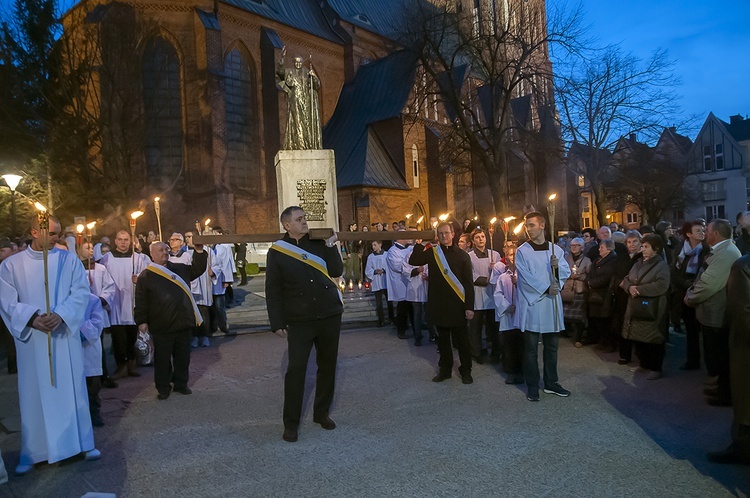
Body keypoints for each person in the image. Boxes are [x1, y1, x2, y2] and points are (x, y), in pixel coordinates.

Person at [0, 216, 100, 475]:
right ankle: (33, 451)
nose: (58, 239)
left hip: (63, 336)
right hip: (33, 340)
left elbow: (80, 292)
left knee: (71, 389)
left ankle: (82, 444)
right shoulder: (11, 266)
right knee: (33, 393)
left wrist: (62, 314)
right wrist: (32, 318)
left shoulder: (69, 260)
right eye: (54, 234)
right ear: (35, 232)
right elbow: (7, 301)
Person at [265, 206, 342, 443]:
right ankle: (291, 423)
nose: (305, 222)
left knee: (327, 366)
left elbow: (336, 270)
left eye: (305, 218)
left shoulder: (318, 243)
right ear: (287, 225)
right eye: (299, 219)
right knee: (296, 371)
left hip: (328, 315)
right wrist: (276, 321)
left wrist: (331, 247)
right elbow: (273, 289)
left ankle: (321, 413)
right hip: (300, 320)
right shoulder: (277, 252)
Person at [134, 241, 207, 400]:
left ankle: (181, 383)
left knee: (183, 356)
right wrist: (142, 321)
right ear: (151, 254)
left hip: (182, 321)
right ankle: (163, 387)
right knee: (163, 359)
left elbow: (198, 269)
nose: (165, 252)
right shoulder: (146, 276)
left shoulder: (179, 268)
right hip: (162, 323)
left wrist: (199, 251)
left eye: (166, 249)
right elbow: (141, 300)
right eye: (160, 250)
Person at [685, 219, 742, 406]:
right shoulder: (721, 250)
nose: (705, 233)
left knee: (720, 357)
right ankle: (720, 389)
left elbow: (708, 284)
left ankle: (724, 394)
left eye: (707, 230)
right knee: (716, 355)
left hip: (717, 314)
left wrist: (690, 297)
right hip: (712, 313)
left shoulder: (725, 253)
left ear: (716, 233)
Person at [515, 211, 571, 401]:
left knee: (552, 346)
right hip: (534, 303)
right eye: (526, 226)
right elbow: (524, 278)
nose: (528, 229)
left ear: (542, 226)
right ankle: (532, 385)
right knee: (530, 348)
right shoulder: (523, 251)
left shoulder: (556, 250)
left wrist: (557, 269)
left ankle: (551, 383)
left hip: (551, 304)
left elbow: (565, 271)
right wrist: (547, 288)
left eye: (532, 225)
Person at [409, 222, 475, 383]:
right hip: (439, 305)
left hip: (458, 306)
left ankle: (466, 371)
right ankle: (445, 370)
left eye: (446, 233)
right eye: (440, 233)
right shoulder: (433, 253)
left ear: (453, 234)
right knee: (443, 341)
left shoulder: (462, 256)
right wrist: (423, 242)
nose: (444, 236)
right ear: (437, 236)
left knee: (462, 342)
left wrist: (469, 307)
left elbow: (468, 284)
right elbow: (414, 260)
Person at [707, 250, 750, 464]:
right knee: (746, 405)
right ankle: (742, 447)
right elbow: (744, 311)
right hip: (747, 349)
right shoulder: (743, 266)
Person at [100, 230, 151, 380]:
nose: (123, 242)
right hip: (116, 302)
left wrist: (140, 280)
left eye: (126, 240)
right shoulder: (106, 259)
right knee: (118, 336)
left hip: (132, 300)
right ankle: (121, 365)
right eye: (120, 239)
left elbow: (148, 275)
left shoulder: (138, 258)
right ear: (115, 241)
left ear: (130, 241)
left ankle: (131, 363)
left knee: (131, 335)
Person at [619, 234, 671, 379]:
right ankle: (644, 364)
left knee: (653, 337)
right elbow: (627, 279)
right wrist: (629, 288)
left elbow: (662, 285)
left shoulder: (661, 265)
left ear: (656, 249)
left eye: (646, 247)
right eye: (643, 246)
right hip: (636, 305)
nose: (643, 249)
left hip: (652, 307)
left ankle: (656, 368)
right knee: (638, 335)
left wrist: (639, 290)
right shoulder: (638, 263)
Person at [79, 241, 117, 388]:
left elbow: (109, 287)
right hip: (82, 313)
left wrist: (102, 299)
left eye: (91, 248)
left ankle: (103, 374)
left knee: (98, 345)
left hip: (97, 311)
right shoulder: (76, 268)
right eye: (86, 248)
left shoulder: (100, 268)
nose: (91, 251)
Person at [672, 221, 710, 370]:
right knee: (691, 329)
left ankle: (709, 364)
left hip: (701, 290)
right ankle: (692, 361)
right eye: (698, 230)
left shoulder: (707, 249)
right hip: (683, 290)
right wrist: (687, 285)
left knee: (704, 330)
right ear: (689, 234)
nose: (702, 233)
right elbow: (674, 271)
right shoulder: (681, 249)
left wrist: (695, 285)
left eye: (703, 230)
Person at [276, 48, 321, 150]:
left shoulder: (307, 72)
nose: (298, 64)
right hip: (295, 101)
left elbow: (317, 86)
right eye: (296, 62)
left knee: (307, 124)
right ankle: (299, 145)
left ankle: (307, 144)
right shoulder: (290, 71)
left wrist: (314, 76)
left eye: (300, 62)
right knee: (297, 122)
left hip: (306, 102)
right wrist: (282, 58)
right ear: (293, 63)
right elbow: (280, 73)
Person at [468, 228, 502, 364]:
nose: (481, 239)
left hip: (492, 295)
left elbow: (502, 272)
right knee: (475, 327)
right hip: (477, 294)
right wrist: (485, 280)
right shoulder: (469, 256)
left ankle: (495, 353)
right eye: (477, 237)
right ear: (473, 241)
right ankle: (476, 352)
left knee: (493, 327)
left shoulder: (495, 254)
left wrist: (495, 269)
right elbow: (469, 274)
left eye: (482, 236)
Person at [491, 245, 523, 384]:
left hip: (522, 315)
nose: (513, 258)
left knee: (521, 344)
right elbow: (497, 294)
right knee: (508, 345)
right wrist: (506, 306)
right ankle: (511, 371)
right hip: (509, 315)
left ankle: (522, 370)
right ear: (506, 258)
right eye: (510, 255)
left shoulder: (524, 276)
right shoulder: (503, 277)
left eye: (516, 255)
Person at [586, 239, 618, 347]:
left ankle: (607, 342)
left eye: (602, 247)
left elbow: (606, 277)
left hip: (604, 294)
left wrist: (591, 283)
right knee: (596, 319)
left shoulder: (613, 261)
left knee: (604, 320)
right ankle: (598, 339)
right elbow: (590, 273)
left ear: (609, 249)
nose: (599, 249)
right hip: (594, 293)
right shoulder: (597, 260)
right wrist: (589, 281)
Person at [80, 293, 106, 426]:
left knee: (93, 385)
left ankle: (94, 412)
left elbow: (97, 322)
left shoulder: (92, 299)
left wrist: (80, 332)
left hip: (89, 346)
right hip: (71, 349)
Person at [562, 237, 591, 348]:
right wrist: (570, 275)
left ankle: (578, 338)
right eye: (572, 245)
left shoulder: (587, 260)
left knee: (579, 315)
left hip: (580, 290)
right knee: (566, 313)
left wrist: (581, 276)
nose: (574, 247)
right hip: (568, 289)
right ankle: (566, 332)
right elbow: (561, 272)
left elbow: (589, 275)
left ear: (582, 247)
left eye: (577, 245)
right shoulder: (565, 259)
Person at [386, 231, 411, 339]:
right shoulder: (392, 251)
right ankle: (401, 330)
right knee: (402, 308)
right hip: (400, 283)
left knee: (411, 306)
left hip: (410, 281)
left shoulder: (410, 248)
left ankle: (411, 326)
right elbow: (397, 266)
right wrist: (410, 265)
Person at [364, 240, 393, 326]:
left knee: (389, 301)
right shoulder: (370, 257)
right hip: (376, 280)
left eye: (375, 245)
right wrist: (374, 271)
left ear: (380, 244)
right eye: (372, 245)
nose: (373, 247)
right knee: (379, 303)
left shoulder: (387, 254)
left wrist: (384, 270)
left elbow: (391, 266)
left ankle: (391, 318)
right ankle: (381, 320)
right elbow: (368, 269)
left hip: (385, 279)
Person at [0, 239, 18, 374]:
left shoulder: (14, 266)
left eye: (3, 250)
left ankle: (14, 366)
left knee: (11, 338)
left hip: (11, 307)